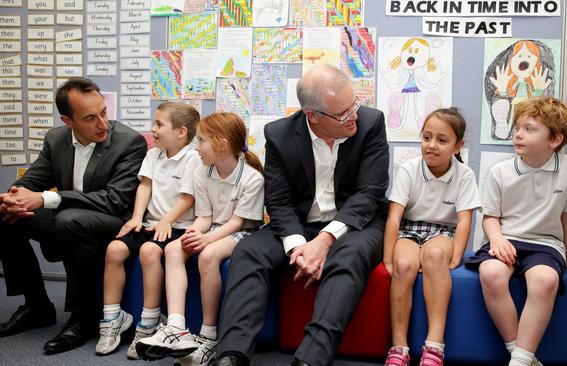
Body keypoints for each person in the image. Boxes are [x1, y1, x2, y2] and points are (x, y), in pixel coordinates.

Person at [214, 65, 389, 366]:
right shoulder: (279, 134)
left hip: (356, 223)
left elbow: (370, 193)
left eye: (354, 104)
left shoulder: (371, 123)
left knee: (348, 256)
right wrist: (297, 248)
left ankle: (310, 359)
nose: (354, 115)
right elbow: (278, 201)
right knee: (249, 251)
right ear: (313, 115)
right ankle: (231, 354)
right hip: (299, 224)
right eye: (343, 113)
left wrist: (325, 239)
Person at [0, 77, 148, 353]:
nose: (103, 124)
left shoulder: (130, 143)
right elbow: (32, 180)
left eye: (104, 112)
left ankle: (83, 317)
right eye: (91, 118)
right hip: (71, 218)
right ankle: (37, 305)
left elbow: (114, 201)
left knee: (69, 220)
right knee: (5, 215)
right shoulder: (56, 139)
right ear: (68, 121)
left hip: (115, 222)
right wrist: (14, 196)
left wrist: (46, 198)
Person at [465, 97, 567, 366]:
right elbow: (490, 217)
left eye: (529, 129)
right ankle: (521, 355)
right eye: (518, 127)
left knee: (545, 280)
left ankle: (519, 360)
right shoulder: (499, 171)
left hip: (546, 243)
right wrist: (496, 239)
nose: (518, 134)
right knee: (491, 273)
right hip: (505, 238)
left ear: (555, 140)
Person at [136, 112, 265, 366]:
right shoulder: (203, 172)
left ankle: (208, 336)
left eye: (202, 141)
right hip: (214, 227)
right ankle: (176, 327)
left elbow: (237, 223)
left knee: (208, 256)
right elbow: (204, 216)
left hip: (242, 232)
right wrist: (195, 233)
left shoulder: (252, 178)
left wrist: (207, 241)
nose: (197, 148)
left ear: (222, 144)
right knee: (174, 249)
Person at [94, 102, 201, 358]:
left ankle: (149, 323)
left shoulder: (194, 158)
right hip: (150, 223)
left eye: (159, 124)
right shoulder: (154, 154)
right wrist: (136, 217)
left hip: (176, 226)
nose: (152, 129)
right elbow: (144, 187)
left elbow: (188, 198)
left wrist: (166, 221)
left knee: (150, 252)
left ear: (180, 132)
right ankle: (112, 319)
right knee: (115, 249)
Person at [383, 108, 480, 366]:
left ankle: (434, 346)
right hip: (409, 228)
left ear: (458, 145)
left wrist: (456, 257)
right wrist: (388, 257)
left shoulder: (465, 175)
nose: (432, 145)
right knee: (404, 264)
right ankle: (398, 347)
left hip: (442, 231)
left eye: (442, 140)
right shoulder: (408, 169)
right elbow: (394, 217)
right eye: (426, 138)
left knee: (435, 256)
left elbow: (464, 221)